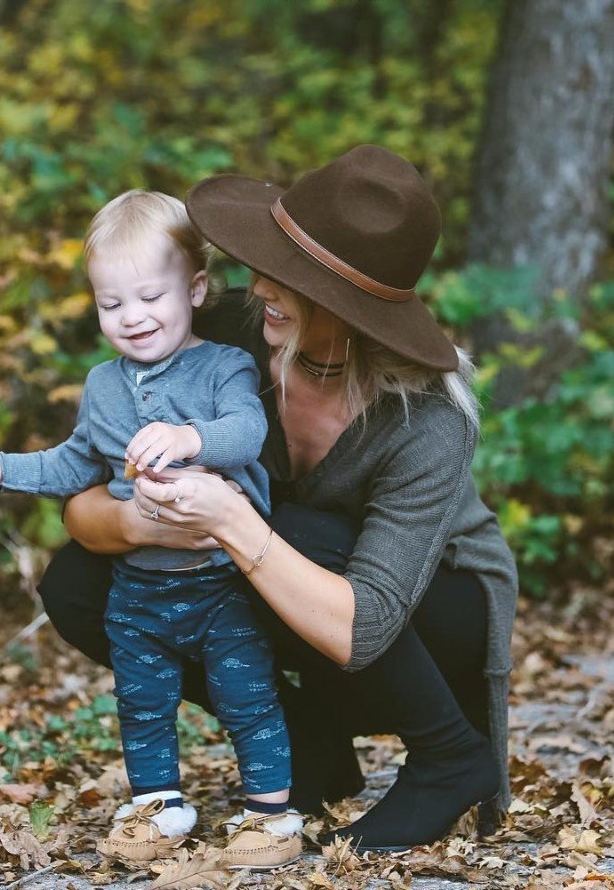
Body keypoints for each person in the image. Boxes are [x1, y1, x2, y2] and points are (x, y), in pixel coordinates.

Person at [38, 145, 520, 853]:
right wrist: (141, 523)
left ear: (349, 310)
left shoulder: (427, 418)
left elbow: (364, 627)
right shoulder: (227, 337)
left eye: (289, 278)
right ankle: (308, 744)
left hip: (428, 612)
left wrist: (231, 521)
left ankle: (447, 754)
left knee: (294, 527)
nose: (260, 284)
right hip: (291, 581)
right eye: (267, 261)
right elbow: (80, 505)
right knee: (79, 583)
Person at [0, 191, 304, 868]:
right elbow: (74, 461)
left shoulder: (224, 366)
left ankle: (271, 816)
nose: (132, 317)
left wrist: (190, 437)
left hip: (221, 583)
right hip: (139, 590)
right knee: (142, 704)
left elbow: (247, 432)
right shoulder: (104, 385)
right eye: (112, 304)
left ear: (195, 290)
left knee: (247, 697)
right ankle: (158, 808)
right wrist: (1, 469)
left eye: (150, 297)